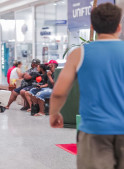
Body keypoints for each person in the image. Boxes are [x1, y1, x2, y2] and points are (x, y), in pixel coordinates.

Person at [50, 3, 124, 169]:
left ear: (93, 27)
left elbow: (59, 92)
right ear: (119, 26)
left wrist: (54, 113)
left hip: (94, 130)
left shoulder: (79, 53)